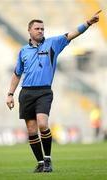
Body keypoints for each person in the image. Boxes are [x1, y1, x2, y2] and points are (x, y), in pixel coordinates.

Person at [6, 10, 101, 173]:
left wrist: (88, 23)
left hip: (44, 91)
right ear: (29, 30)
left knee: (43, 124)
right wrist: (10, 94)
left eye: (42, 29)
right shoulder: (23, 51)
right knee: (31, 130)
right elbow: (17, 73)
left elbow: (71, 34)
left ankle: (48, 159)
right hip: (26, 93)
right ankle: (40, 162)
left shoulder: (53, 43)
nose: (41, 31)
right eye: (37, 29)